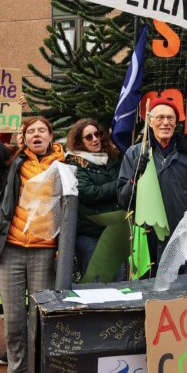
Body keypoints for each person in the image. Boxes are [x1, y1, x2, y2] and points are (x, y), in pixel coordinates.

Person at [0, 77, 75, 373]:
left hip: (46, 253)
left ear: (50, 136)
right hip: (10, 251)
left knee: (39, 318)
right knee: (14, 319)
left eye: (42, 130)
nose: (36, 135)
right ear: (24, 138)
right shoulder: (11, 161)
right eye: (31, 131)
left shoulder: (67, 166)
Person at [117, 97, 187, 275]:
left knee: (180, 292)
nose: (165, 123)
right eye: (160, 118)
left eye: (170, 118)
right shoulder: (135, 153)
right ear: (150, 122)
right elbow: (123, 200)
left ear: (176, 123)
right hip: (145, 238)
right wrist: (135, 177)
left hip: (181, 237)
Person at [65, 119, 121, 281]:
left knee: (117, 285)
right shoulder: (75, 162)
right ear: (79, 141)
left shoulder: (112, 159)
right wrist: (120, 184)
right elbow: (89, 193)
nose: (95, 139)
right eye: (88, 137)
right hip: (91, 235)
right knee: (94, 285)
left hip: (114, 233)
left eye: (97, 134)